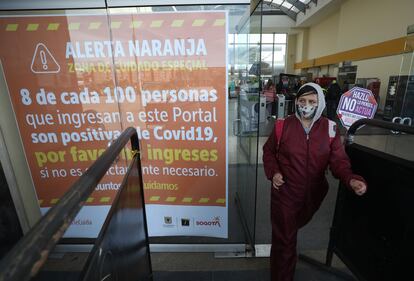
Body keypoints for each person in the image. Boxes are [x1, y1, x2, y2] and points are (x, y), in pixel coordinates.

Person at [262, 82, 367, 281]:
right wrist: (274, 172)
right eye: (302, 100)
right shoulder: (283, 126)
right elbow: (268, 152)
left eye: (312, 101)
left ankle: (288, 249)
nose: (306, 105)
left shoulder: (330, 129)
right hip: (285, 193)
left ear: (320, 103)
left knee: (292, 230)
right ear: (296, 102)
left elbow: (339, 161)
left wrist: (351, 178)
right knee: (284, 240)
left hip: (314, 195)